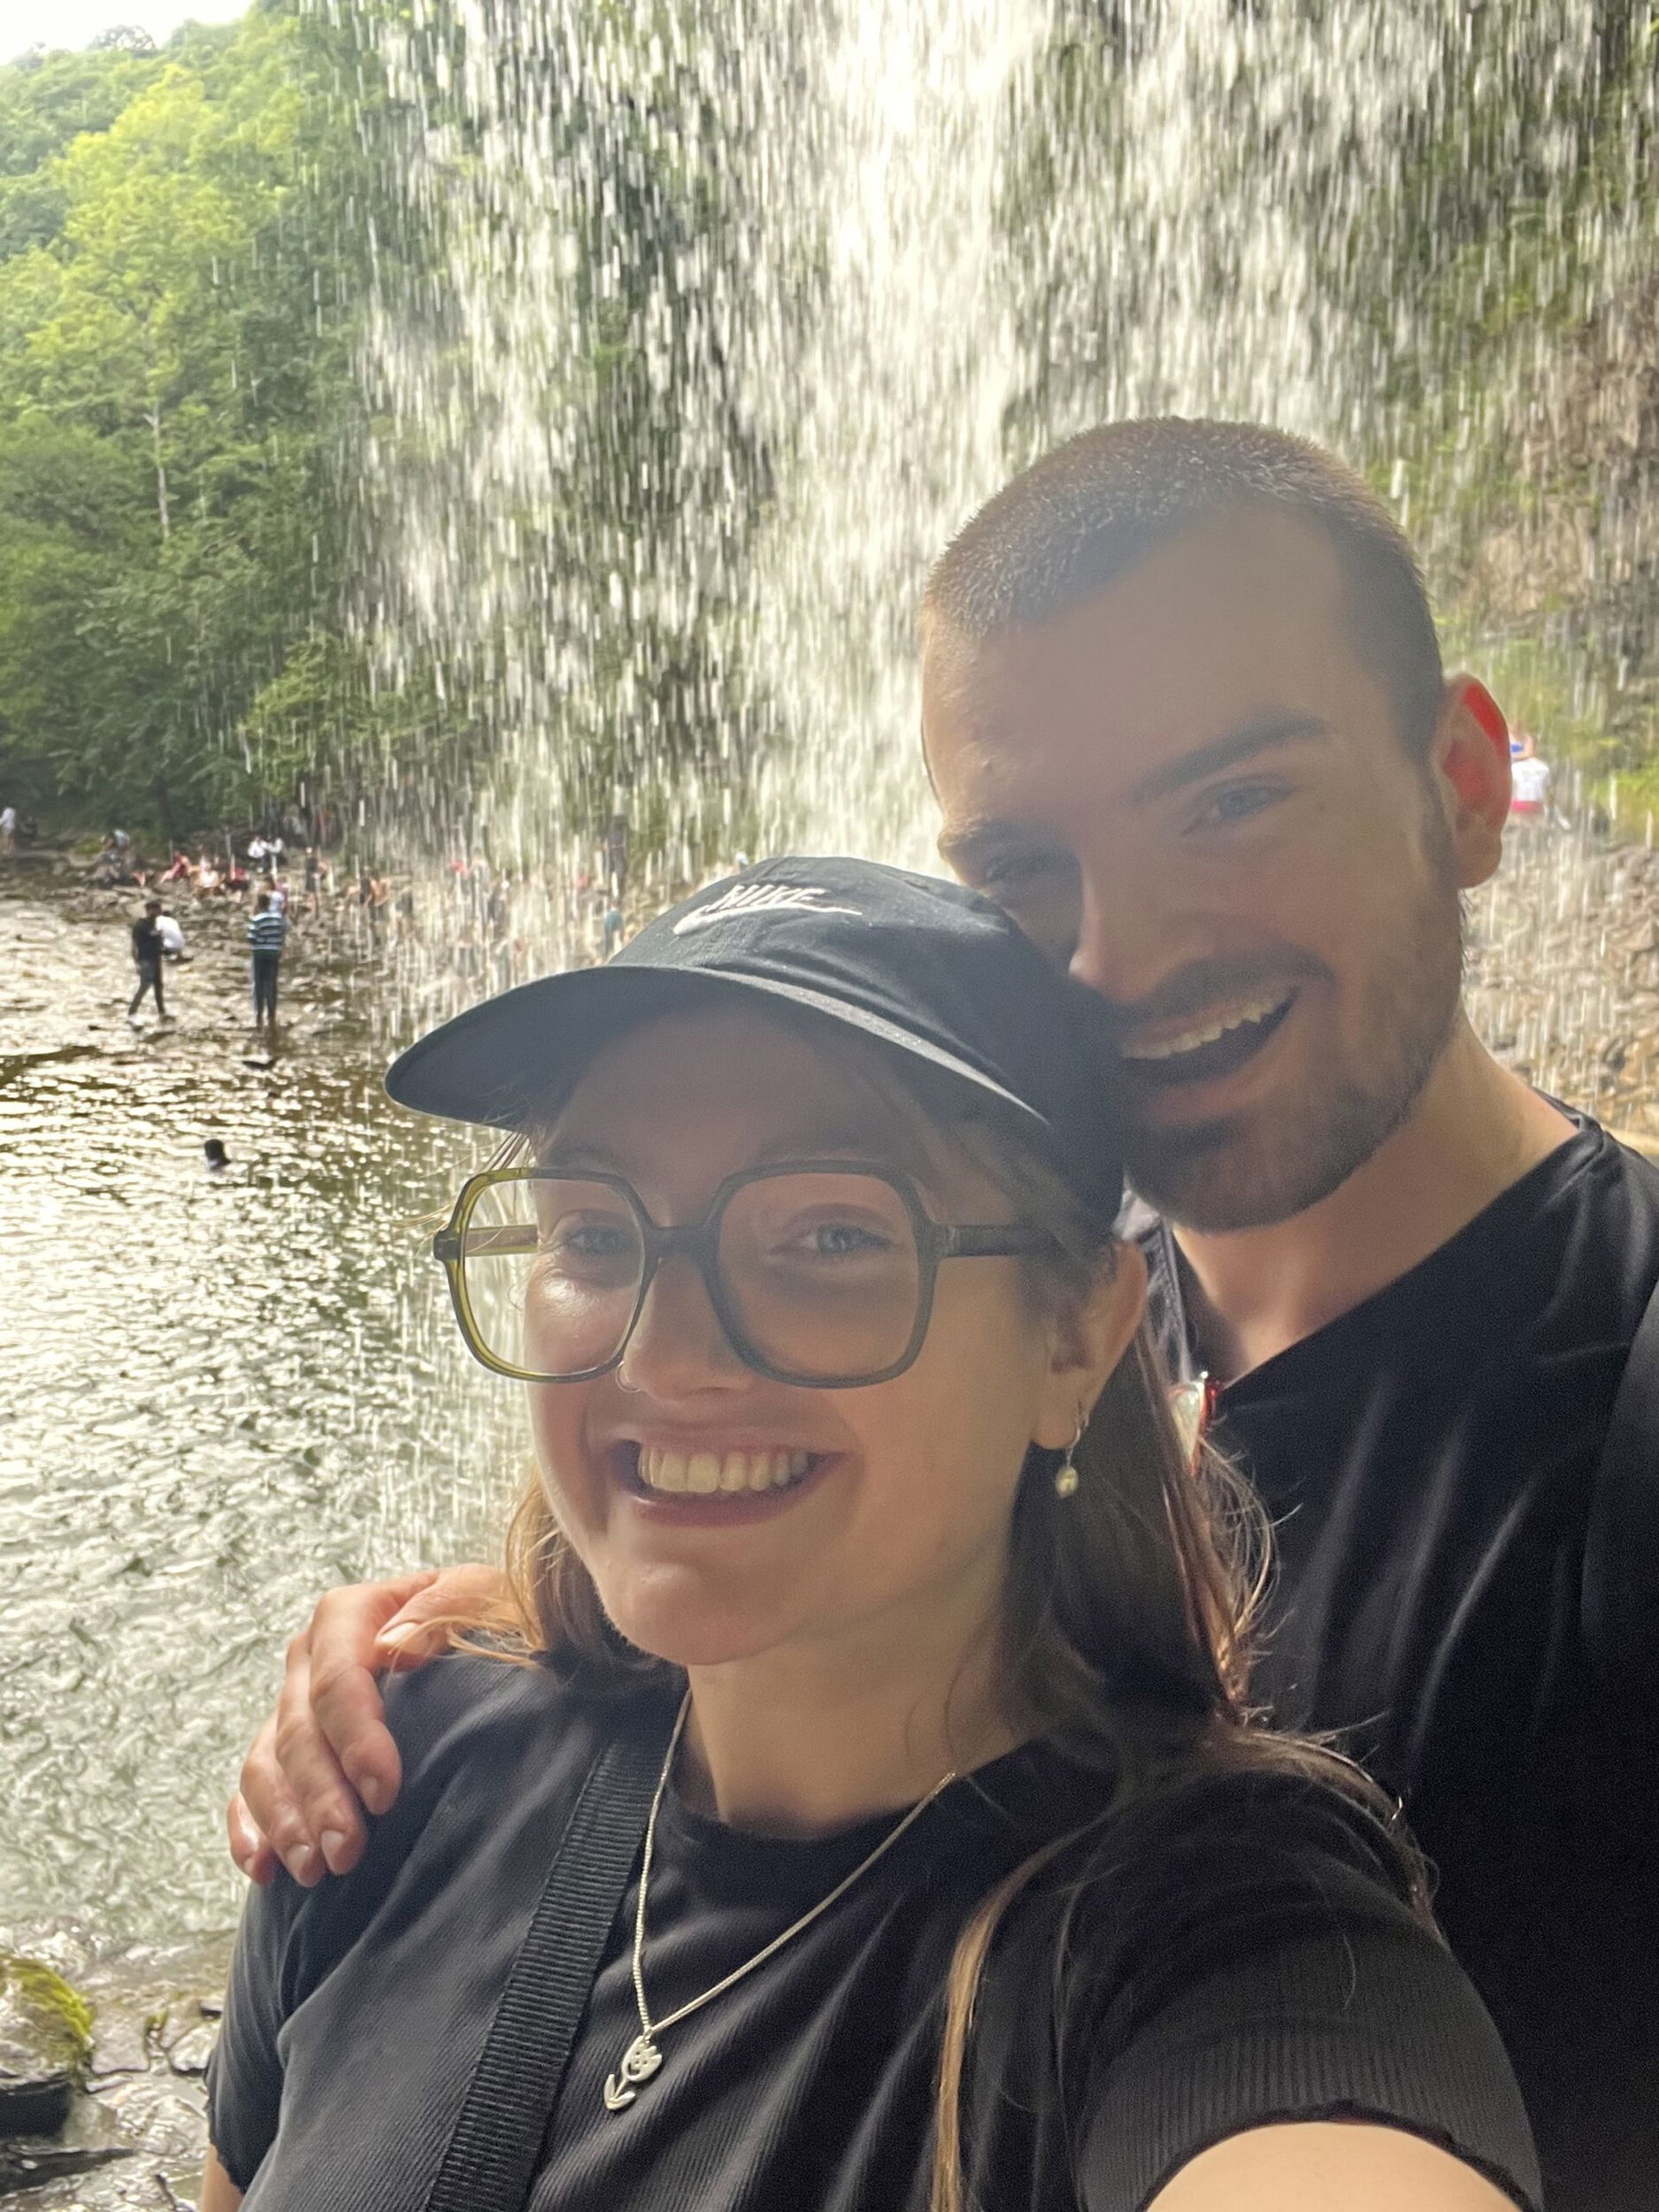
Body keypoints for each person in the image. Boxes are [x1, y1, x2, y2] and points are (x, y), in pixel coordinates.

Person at [235, 422, 1659, 2212]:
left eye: (1232, 800)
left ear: (1462, 783)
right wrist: (561, 1631)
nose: (1114, 959)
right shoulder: (1034, 1304)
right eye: (1015, 871)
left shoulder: (1620, 1393)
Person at [197, 857, 1539, 2212]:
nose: (669, 1353)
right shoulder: (392, 1770)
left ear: (1076, 1334)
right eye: (595, 1233)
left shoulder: (1215, 1943)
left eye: (830, 1235)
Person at [246, 891, 288, 1038]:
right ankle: (272, 1013)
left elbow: (251, 938)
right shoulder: (278, 918)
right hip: (273, 955)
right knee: (272, 983)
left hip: (259, 955)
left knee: (259, 984)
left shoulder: (256, 919)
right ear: (269, 903)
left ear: (258, 903)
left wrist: (261, 942)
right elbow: (282, 934)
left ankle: (259, 1014)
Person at [127, 896, 168, 1025]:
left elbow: (160, 942)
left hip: (157, 959)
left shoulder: (157, 925)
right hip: (145, 961)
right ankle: (132, 1013)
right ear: (148, 910)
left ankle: (162, 1012)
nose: (157, 912)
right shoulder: (140, 925)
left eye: (158, 909)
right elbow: (133, 946)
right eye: (155, 909)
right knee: (144, 986)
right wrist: (136, 963)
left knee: (159, 986)